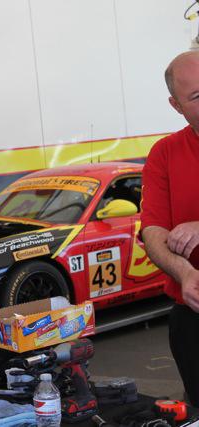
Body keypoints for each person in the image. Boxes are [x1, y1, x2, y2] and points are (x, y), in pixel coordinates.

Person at [142, 50, 199, 406]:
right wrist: (185, 273)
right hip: (192, 313)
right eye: (197, 96)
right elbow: (154, 232)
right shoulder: (164, 153)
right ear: (176, 105)